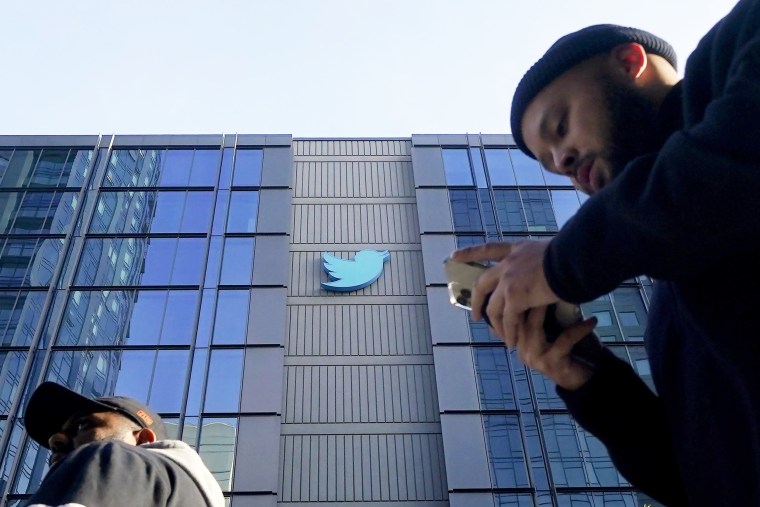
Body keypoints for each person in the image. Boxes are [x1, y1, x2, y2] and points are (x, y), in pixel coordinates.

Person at [452, 5, 760, 506]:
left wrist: (559, 264)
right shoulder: (670, 306)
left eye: (560, 127)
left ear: (630, 60)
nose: (564, 162)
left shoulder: (739, 44)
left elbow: (733, 160)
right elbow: (700, 481)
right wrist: (592, 382)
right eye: (551, 165)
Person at [23, 381, 225, 507]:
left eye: (82, 425)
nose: (55, 440)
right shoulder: (185, 493)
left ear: (143, 440)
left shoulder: (112, 454)